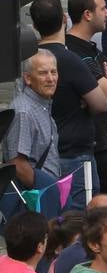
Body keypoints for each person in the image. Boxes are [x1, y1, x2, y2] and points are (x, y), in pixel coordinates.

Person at [31, 0, 107, 206]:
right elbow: (100, 102)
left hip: (42, 156)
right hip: (74, 155)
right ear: (64, 19)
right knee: (79, 221)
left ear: (34, 25)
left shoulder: (31, 60)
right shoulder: (70, 59)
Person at [64, 0, 107, 198]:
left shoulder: (90, 49)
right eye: (103, 9)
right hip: (94, 146)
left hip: (103, 141)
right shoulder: (75, 51)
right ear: (87, 15)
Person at [1, 50, 61, 219]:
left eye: (53, 72)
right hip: (36, 201)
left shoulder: (41, 105)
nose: (50, 78)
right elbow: (18, 164)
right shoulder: (24, 112)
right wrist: (42, 193)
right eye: (43, 73)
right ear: (28, 78)